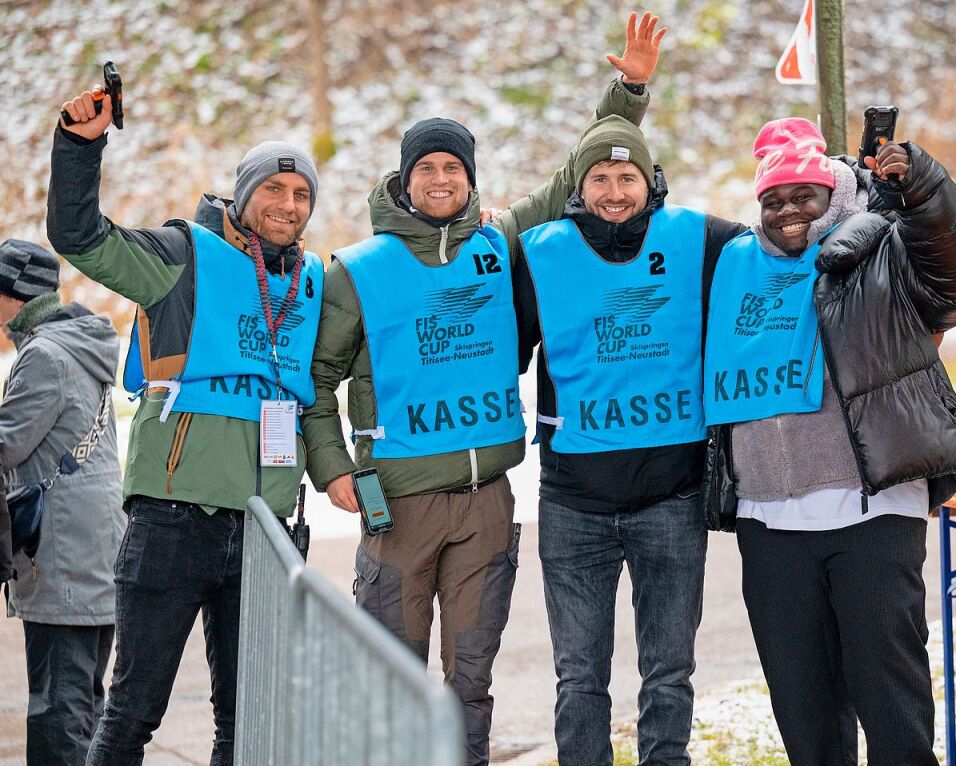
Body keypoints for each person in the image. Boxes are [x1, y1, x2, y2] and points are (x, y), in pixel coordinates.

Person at [299, 14, 663, 764]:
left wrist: (628, 91)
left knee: (470, 680)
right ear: (405, 179)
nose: (440, 180)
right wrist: (331, 466)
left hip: (488, 503)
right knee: (392, 677)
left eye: (453, 169)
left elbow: (579, 175)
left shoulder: (499, 243)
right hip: (396, 507)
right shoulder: (356, 269)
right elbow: (318, 380)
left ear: (471, 179)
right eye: (426, 168)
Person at [702, 117, 956, 765]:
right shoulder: (734, 264)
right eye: (773, 199)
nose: (787, 211)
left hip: (870, 510)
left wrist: (922, 188)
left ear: (832, 194)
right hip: (769, 519)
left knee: (889, 701)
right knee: (805, 713)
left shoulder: (881, 248)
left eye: (803, 195)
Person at [47, 87, 323, 765]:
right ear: (244, 193)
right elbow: (80, 238)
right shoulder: (182, 257)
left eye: (302, 194)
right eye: (275, 189)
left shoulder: (314, 281)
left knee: (246, 721)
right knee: (133, 714)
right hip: (174, 519)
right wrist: (80, 148)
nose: (288, 205)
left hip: (265, 532)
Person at [515, 110, 746, 763]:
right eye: (600, 177)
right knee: (580, 679)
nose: (615, 191)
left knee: (668, 673)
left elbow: (788, 242)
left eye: (628, 176)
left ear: (651, 181)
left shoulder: (700, 241)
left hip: (670, 500)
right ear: (579, 186)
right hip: (572, 505)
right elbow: (489, 349)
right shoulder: (540, 253)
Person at [0, 239, 124, 766]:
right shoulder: (80, 344)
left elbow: (7, 444)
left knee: (59, 711)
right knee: (83, 704)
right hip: (94, 546)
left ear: (13, 295)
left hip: (62, 555)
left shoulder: (44, 355)